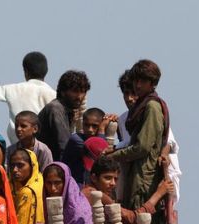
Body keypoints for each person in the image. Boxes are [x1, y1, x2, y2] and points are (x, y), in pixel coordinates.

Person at [83, 157, 173, 224]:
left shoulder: (90, 192)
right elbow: (132, 218)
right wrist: (158, 194)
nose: (113, 183)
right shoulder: (95, 194)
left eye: (115, 179)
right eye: (107, 178)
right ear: (94, 178)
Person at [104, 60, 169, 210]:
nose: (138, 85)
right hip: (137, 175)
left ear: (152, 83)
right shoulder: (140, 108)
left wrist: (112, 156)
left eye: (143, 81)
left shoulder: (151, 107)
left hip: (144, 178)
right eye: (136, 81)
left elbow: (142, 147)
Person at [115, 69, 182, 204]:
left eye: (133, 93)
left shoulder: (151, 110)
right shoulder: (123, 120)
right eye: (126, 94)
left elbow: (167, 142)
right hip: (133, 176)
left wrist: (162, 156)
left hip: (150, 176)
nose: (129, 98)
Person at [37, 70, 91, 160]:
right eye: (75, 91)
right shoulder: (56, 109)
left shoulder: (67, 111)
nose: (79, 96)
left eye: (83, 92)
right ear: (62, 92)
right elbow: (64, 146)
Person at [61, 108, 118, 184]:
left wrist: (116, 125)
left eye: (95, 126)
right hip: (75, 186)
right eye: (86, 125)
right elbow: (100, 152)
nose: (90, 129)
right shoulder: (76, 139)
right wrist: (101, 129)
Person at [8, 149, 44, 224]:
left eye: (20, 165)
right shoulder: (40, 179)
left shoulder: (28, 192)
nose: (15, 170)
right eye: (12, 165)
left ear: (32, 166)